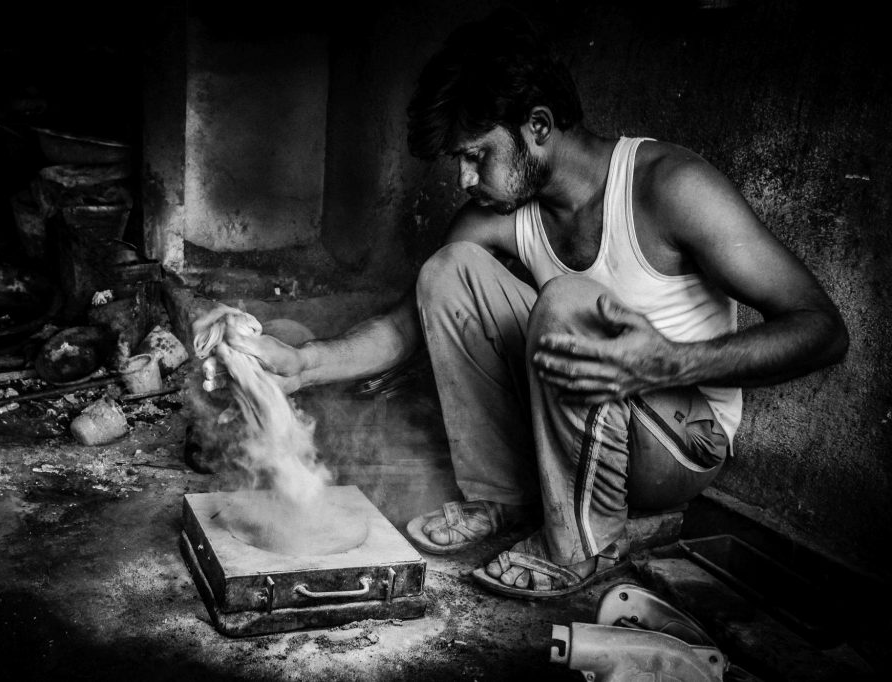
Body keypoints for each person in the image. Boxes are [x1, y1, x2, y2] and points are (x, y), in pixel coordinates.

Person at [218, 7, 848, 599]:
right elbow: (408, 323)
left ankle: (575, 543)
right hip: (574, 433)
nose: (463, 179)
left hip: (676, 447)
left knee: (569, 302)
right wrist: (307, 363)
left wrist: (670, 362)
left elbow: (822, 328)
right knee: (448, 270)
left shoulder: (671, 186)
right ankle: (505, 497)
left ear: (538, 126)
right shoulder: (498, 217)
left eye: (475, 155)